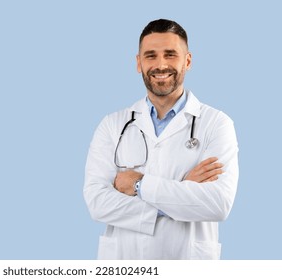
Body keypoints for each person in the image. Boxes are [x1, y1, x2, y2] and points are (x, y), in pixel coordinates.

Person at [83, 19, 239, 260]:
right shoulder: (112, 125)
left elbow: (218, 203)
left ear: (187, 61)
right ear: (139, 63)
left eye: (170, 54)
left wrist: (138, 185)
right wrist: (183, 189)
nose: (160, 64)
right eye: (151, 56)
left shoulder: (217, 124)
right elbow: (97, 202)